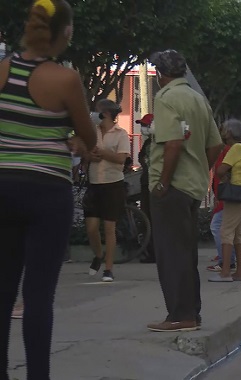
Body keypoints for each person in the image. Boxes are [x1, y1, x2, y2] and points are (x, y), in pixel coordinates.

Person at [0, 1, 96, 378]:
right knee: (39, 295)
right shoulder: (65, 80)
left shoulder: (3, 70)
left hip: (2, 186)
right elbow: (87, 135)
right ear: (65, 33)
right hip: (46, 192)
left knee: (2, 289)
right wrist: (72, 139)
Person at [146, 49, 223, 332]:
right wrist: (202, 170)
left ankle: (181, 316)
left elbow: (173, 143)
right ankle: (192, 313)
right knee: (186, 252)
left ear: (160, 74)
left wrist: (163, 183)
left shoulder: (166, 98)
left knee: (171, 254)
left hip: (172, 187)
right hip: (192, 186)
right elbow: (215, 145)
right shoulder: (197, 99)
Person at [83, 99, 131, 283]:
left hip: (113, 184)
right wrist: (89, 156)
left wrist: (102, 153)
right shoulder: (92, 132)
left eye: (97, 111)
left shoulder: (121, 134)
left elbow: (121, 159)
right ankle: (98, 254)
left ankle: (108, 268)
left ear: (107, 114)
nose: (94, 114)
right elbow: (85, 153)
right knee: (91, 227)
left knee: (110, 227)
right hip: (94, 183)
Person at [209, 119, 241, 282]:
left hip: (234, 193)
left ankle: (225, 271)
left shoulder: (235, 149)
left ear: (229, 133)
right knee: (238, 233)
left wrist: (224, 176)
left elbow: (220, 170)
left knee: (225, 231)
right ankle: (240, 271)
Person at [137, 113, 156, 263]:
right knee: (146, 218)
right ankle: (149, 251)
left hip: (154, 184)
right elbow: (141, 157)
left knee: (153, 219)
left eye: (145, 125)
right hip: (146, 182)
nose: (143, 128)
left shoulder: (159, 143)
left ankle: (154, 253)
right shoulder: (148, 142)